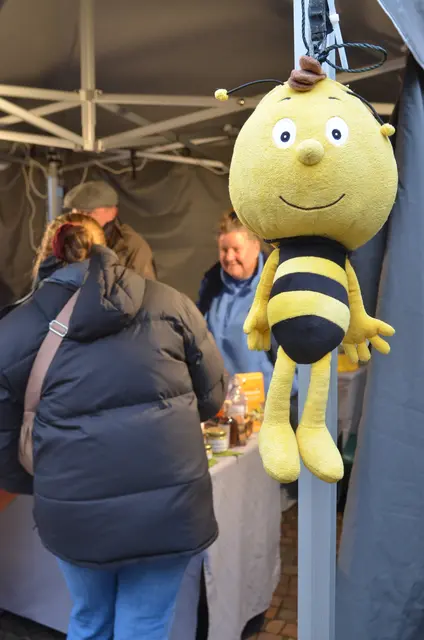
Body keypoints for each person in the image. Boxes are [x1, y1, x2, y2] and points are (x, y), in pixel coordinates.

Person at [0, 212, 226, 640]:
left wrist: (44, 484)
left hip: (73, 509)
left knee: (90, 618)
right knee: (145, 624)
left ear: (48, 253)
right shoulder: (172, 302)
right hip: (168, 505)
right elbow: (213, 397)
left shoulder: (15, 327)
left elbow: (4, 439)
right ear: (107, 245)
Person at [198, 210, 298, 398]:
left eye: (236, 249)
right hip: (223, 401)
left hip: (269, 402)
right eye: (224, 250)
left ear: (255, 247)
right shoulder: (211, 286)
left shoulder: (279, 286)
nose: (229, 257)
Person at [63, 180, 156, 279]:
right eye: (77, 213)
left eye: (89, 213)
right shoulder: (64, 240)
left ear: (112, 213)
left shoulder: (132, 245)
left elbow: (144, 287)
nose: (81, 220)